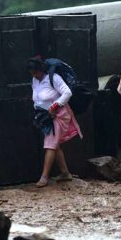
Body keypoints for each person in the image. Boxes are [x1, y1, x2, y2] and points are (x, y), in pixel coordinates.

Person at [28, 56, 83, 187]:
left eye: (35, 73)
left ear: (41, 70)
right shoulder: (35, 80)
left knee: (50, 144)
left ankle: (44, 177)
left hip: (59, 115)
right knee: (55, 145)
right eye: (32, 74)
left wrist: (55, 106)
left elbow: (67, 93)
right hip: (45, 117)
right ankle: (65, 173)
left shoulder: (54, 78)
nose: (34, 76)